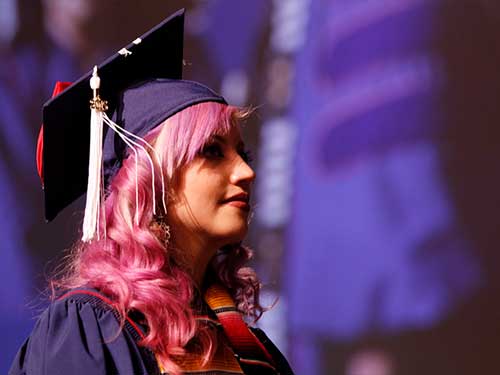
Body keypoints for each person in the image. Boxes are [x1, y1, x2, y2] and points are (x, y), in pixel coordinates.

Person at [9, 10, 293, 375]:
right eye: (212, 151)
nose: (247, 171)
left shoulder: (254, 352)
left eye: (244, 153)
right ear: (150, 182)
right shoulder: (93, 331)